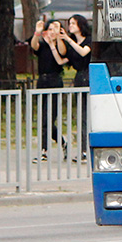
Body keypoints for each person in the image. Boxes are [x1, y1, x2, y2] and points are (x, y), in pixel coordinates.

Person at [30, 18, 67, 160]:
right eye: (50, 29)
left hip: (55, 80)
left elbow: (63, 53)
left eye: (55, 28)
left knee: (48, 119)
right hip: (42, 80)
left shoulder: (60, 45)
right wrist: (37, 33)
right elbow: (34, 46)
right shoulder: (43, 45)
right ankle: (61, 143)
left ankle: (44, 150)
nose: (52, 32)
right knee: (43, 119)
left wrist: (57, 39)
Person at [61, 15, 92, 163]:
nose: (70, 26)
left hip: (89, 76)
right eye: (69, 23)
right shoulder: (72, 44)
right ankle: (82, 149)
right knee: (80, 116)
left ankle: (86, 150)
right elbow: (64, 59)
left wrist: (68, 39)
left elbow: (84, 52)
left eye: (73, 23)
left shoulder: (89, 40)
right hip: (79, 78)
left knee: (87, 115)